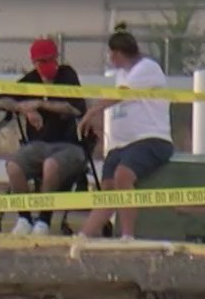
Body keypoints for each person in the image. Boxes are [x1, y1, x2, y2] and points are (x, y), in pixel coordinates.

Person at [74, 29, 175, 244]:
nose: (110, 59)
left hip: (150, 138)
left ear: (119, 53)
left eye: (112, 54)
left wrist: (92, 112)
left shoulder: (148, 68)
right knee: (108, 189)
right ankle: (84, 235)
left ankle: (128, 235)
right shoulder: (119, 75)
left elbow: (121, 95)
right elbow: (114, 102)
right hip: (121, 145)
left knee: (123, 176)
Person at [0, 38, 87, 236]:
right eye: (40, 61)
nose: (45, 65)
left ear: (56, 58)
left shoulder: (67, 75)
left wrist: (40, 104)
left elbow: (75, 108)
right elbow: (1, 100)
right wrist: (22, 108)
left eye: (49, 60)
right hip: (37, 145)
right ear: (33, 63)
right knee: (14, 166)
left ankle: (44, 220)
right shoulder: (31, 79)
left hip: (69, 146)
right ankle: (24, 218)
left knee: (51, 165)